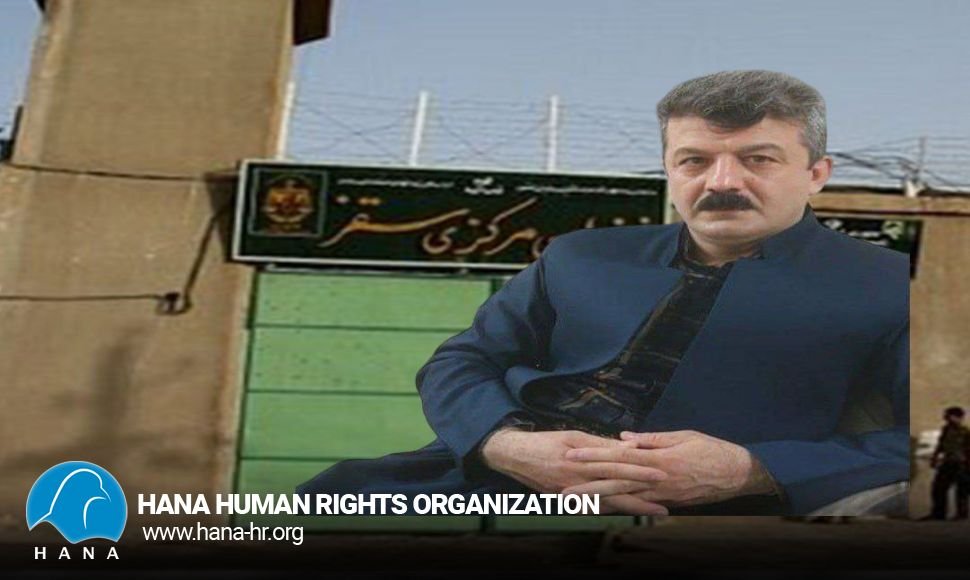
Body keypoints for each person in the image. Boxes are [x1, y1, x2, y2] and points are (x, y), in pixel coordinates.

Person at [298, 70, 910, 516]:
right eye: (694, 161)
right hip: (489, 482)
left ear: (816, 174)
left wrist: (753, 470)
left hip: (703, 511)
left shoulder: (888, 284)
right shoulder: (580, 256)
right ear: (669, 169)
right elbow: (462, 360)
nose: (723, 181)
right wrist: (504, 445)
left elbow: (924, 438)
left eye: (758, 159)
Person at [928, 406, 970, 520]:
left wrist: (967, 465)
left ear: (957, 417)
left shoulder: (964, 432)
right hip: (948, 462)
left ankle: (961, 515)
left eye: (948, 416)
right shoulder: (946, 429)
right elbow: (941, 445)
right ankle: (939, 514)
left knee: (961, 491)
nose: (945, 418)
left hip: (961, 464)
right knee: (938, 488)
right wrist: (934, 457)